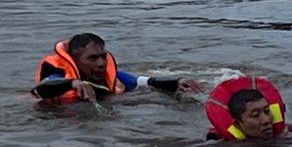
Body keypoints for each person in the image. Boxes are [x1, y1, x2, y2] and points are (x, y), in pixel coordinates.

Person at [32, 33, 202, 103]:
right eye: (92, 58)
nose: (101, 63)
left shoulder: (115, 78)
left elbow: (149, 82)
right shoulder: (56, 76)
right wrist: (72, 83)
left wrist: (178, 81)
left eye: (103, 56)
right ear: (75, 60)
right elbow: (41, 89)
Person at [206, 79, 292, 141]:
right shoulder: (220, 143)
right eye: (255, 115)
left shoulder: (289, 132)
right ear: (237, 123)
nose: (266, 120)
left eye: (267, 111)